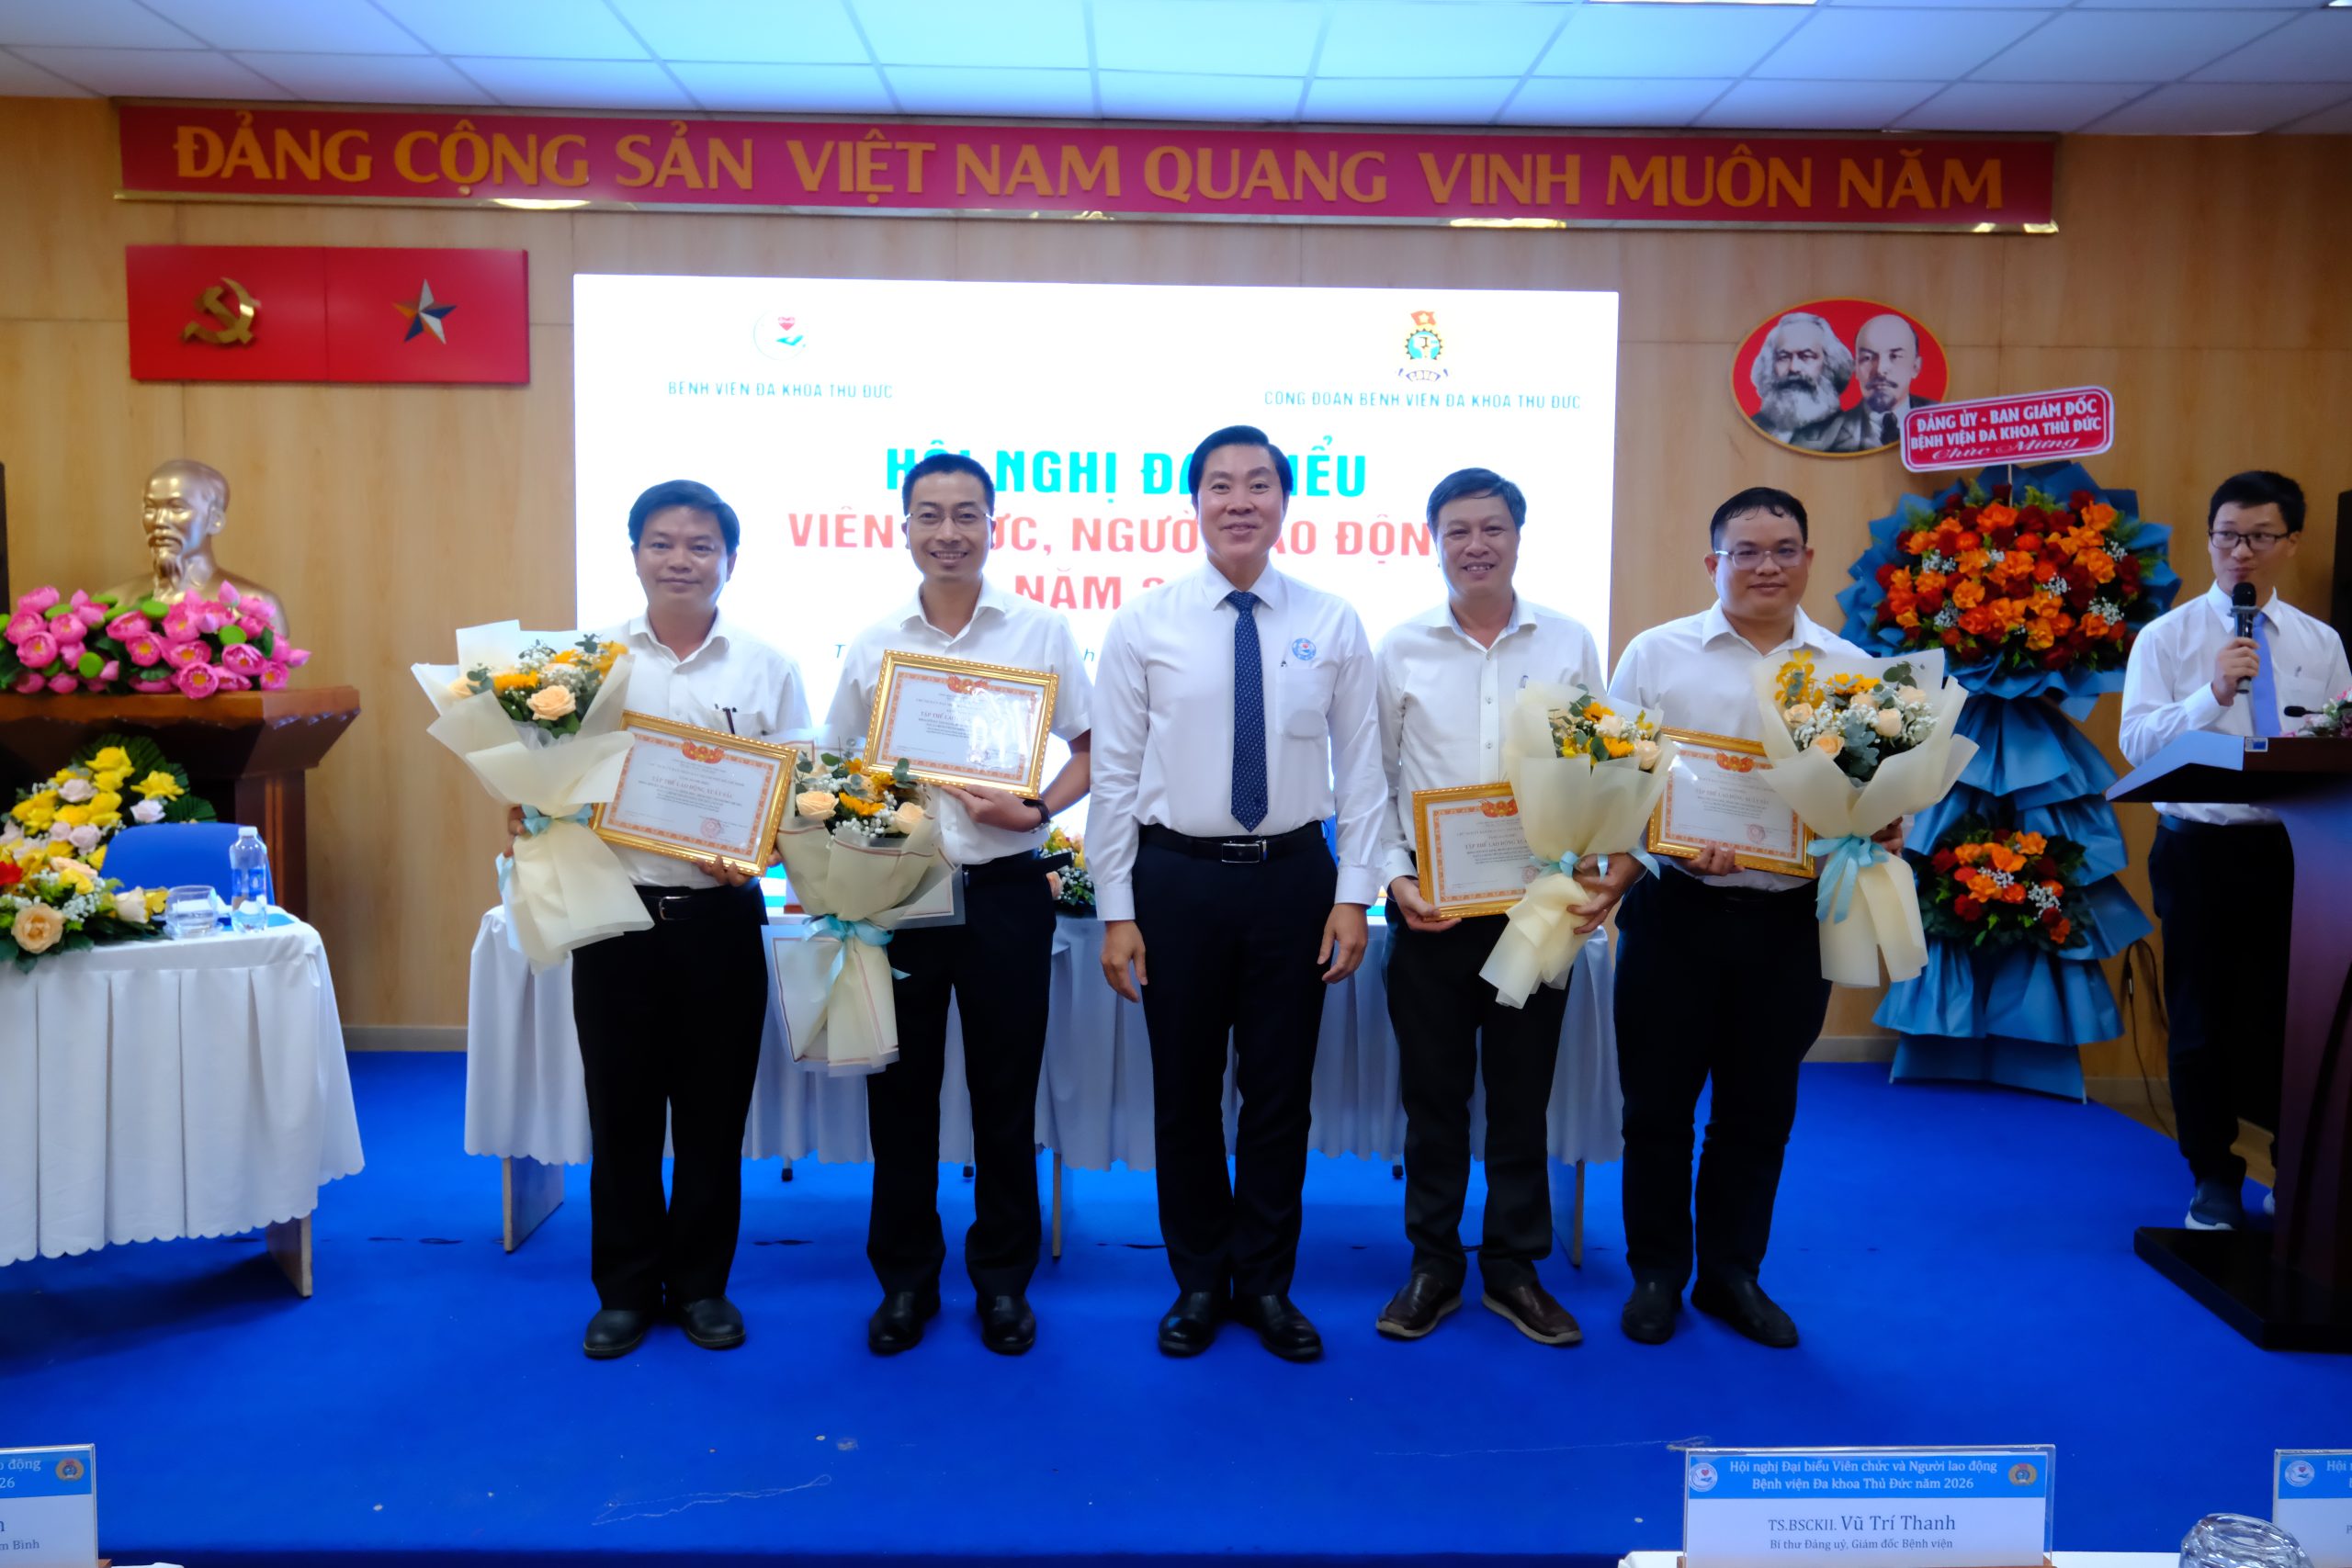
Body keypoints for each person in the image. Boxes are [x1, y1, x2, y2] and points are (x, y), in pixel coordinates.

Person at [1574, 487, 1901, 1348]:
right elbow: (1612, 778)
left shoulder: (1852, 669)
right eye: (1745, 550)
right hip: (1675, 910)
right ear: (1712, 562)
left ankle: (1731, 1274)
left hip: (1791, 922)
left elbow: (1870, 800)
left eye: (1784, 549)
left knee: (1759, 1110)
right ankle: (1655, 1273)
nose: (1766, 565)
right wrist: (1668, 841)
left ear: (1808, 559)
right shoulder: (1656, 654)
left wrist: (1883, 822)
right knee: (1656, 1108)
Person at [1091, 423, 1385, 1363]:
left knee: (1278, 1094)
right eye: (1220, 484)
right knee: (1183, 1093)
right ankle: (1196, 1281)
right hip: (1175, 879)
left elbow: (1364, 772)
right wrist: (1116, 911)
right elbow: (1113, 777)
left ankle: (1264, 1282)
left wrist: (1354, 896)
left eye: (1259, 483)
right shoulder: (1144, 622)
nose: (1240, 500)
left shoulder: (1332, 620)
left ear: (1284, 501)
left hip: (1294, 879)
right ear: (1195, 502)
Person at [532, 479, 811, 1360]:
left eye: (700, 545)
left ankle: (700, 1285)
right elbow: (546, 780)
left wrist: (761, 849)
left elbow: (794, 792)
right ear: (635, 554)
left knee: (711, 1114)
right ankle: (623, 1289)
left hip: (720, 918)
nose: (680, 559)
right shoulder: (588, 666)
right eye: (662, 542)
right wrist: (534, 809)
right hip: (615, 912)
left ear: (730, 559)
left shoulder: (766, 667)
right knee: (620, 1113)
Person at [826, 451, 1094, 1358]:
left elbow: (1094, 747)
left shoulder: (1038, 631)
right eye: (930, 514)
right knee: (899, 1095)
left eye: (966, 514)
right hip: (900, 893)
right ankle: (905, 1281)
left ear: (992, 524)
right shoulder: (874, 643)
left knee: (1004, 1095)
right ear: (903, 526)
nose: (948, 532)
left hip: (1007, 892)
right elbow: (835, 770)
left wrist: (1040, 808)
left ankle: (1002, 1281)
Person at [1374, 468, 1602, 1347]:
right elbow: (1373, 782)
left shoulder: (1569, 641)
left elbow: (1599, 769)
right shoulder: (1400, 648)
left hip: (1535, 911)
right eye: (1458, 531)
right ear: (1433, 541)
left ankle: (1514, 1267)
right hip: (1431, 914)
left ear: (1518, 536)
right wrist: (1396, 879)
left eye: (1493, 528)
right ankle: (1433, 1263)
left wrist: (1591, 859)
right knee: (1433, 1101)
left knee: (1520, 1098)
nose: (1477, 545)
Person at [2120, 470, 2350, 1232]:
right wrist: (2212, 693)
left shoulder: (2322, 642)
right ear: (2210, 539)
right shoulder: (2167, 637)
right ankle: (2213, 1175)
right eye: (2226, 536)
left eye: (2258, 536)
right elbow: (2138, 742)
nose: (2240, 552)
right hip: (2200, 851)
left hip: (2298, 852)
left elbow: (2339, 736)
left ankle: (2296, 1169)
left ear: (2292, 542)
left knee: (2295, 1018)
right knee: (2200, 1017)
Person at [1819, 314, 1938, 453]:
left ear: (1915, 367)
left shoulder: (1940, 418)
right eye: (1868, 358)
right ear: (1855, 367)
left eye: (1895, 356)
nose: (1880, 370)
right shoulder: (1829, 435)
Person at [1747, 312, 1853, 452]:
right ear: (1770, 366)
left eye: (1806, 356)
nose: (1793, 368)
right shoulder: (1752, 426)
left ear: (1829, 364)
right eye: (1783, 357)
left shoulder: (1847, 435)